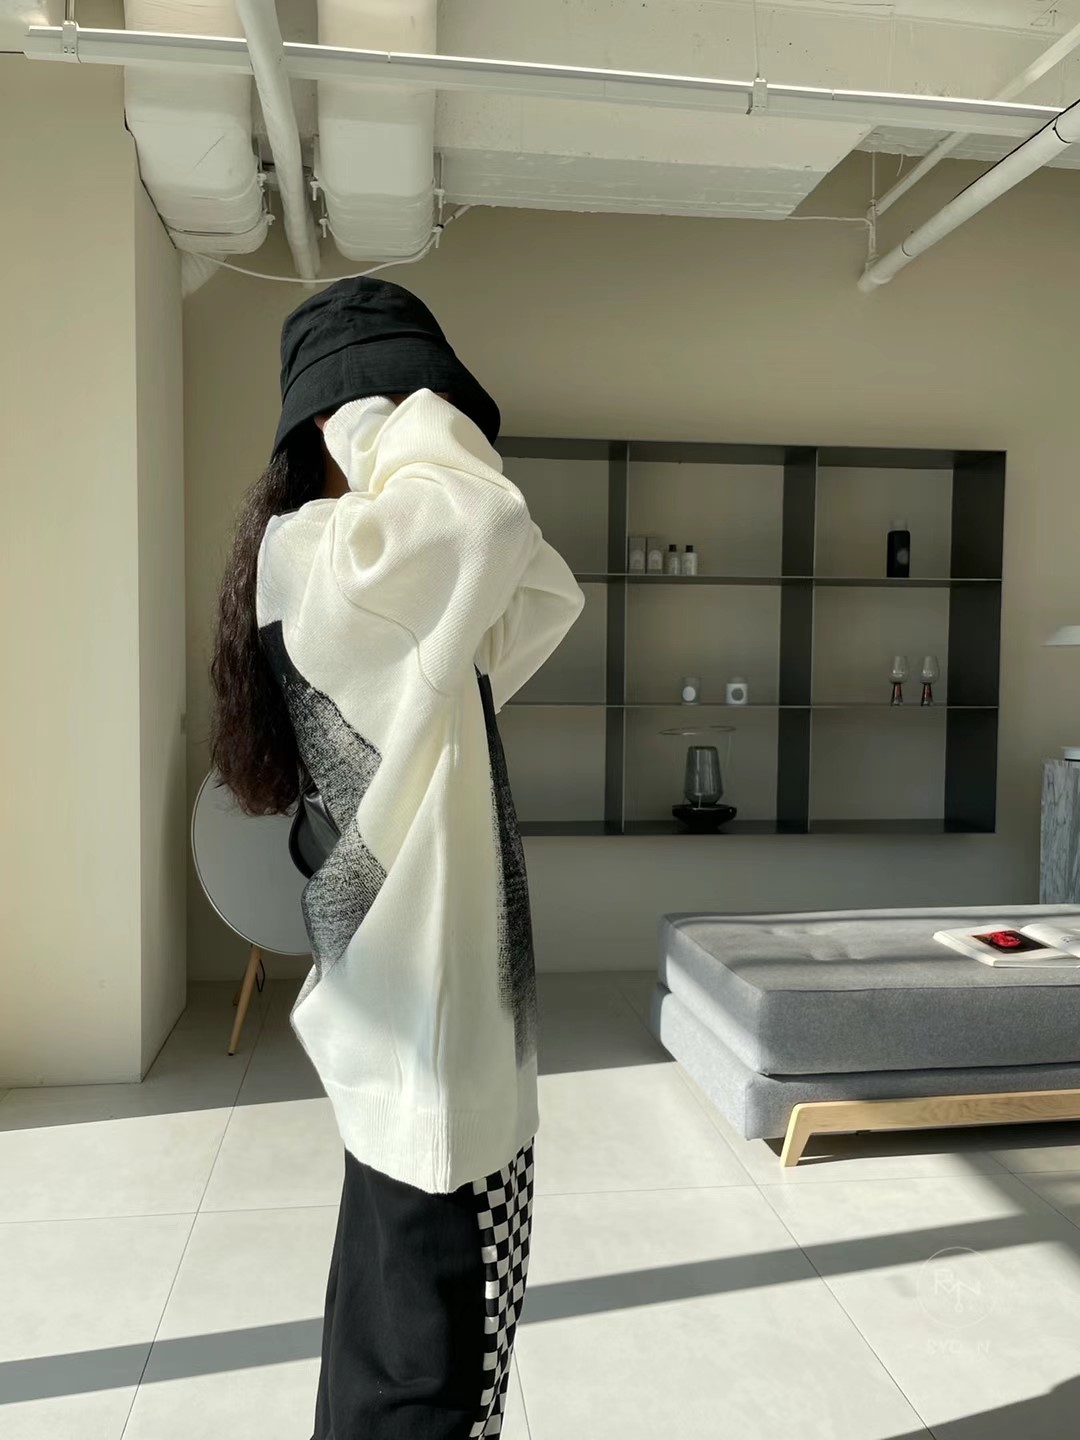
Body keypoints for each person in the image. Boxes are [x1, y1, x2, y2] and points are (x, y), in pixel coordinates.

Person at [207, 275, 585, 1439]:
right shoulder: (330, 557)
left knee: (391, 1362)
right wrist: (380, 416)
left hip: (425, 1046)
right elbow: (489, 524)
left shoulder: (378, 589)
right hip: (439, 1064)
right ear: (351, 430)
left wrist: (380, 420)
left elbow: (543, 592)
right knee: (435, 1389)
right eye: (422, 408)